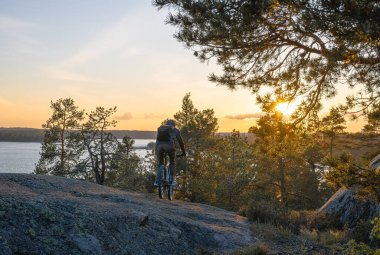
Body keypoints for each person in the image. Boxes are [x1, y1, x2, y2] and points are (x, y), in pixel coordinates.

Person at [154, 119, 186, 186]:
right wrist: (183, 152)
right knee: (172, 161)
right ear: (174, 125)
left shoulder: (161, 129)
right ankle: (172, 179)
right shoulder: (176, 130)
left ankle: (157, 181)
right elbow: (181, 142)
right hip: (169, 146)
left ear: (166, 124)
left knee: (160, 163)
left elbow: (157, 140)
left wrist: (156, 150)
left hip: (159, 146)